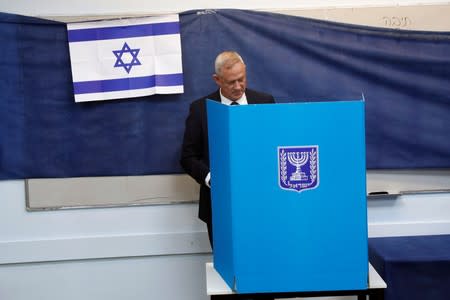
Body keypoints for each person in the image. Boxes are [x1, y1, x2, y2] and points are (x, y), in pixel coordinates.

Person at [180, 51, 275, 248]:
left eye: (242, 79)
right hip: (219, 205)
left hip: (262, 202)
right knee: (226, 269)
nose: (238, 86)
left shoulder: (266, 102)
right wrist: (210, 178)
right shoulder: (200, 109)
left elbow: (275, 147)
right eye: (231, 82)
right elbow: (188, 157)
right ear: (217, 79)